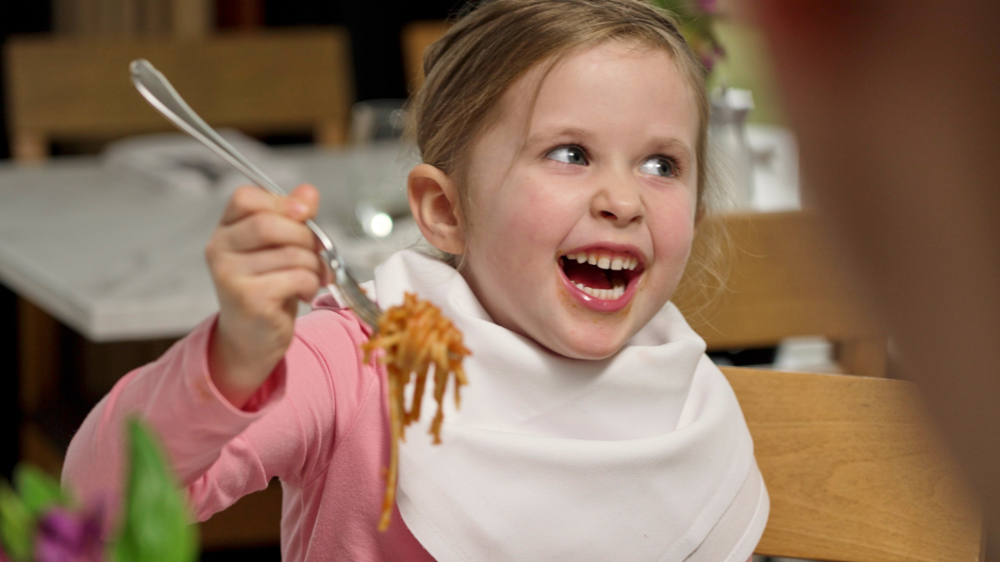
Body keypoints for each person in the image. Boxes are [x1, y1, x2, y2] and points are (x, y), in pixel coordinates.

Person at [63, 0, 769, 560]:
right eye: (570, 153)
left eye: (661, 165)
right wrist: (232, 364)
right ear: (446, 211)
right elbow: (93, 506)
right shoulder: (358, 365)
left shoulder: (690, 404)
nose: (624, 199)